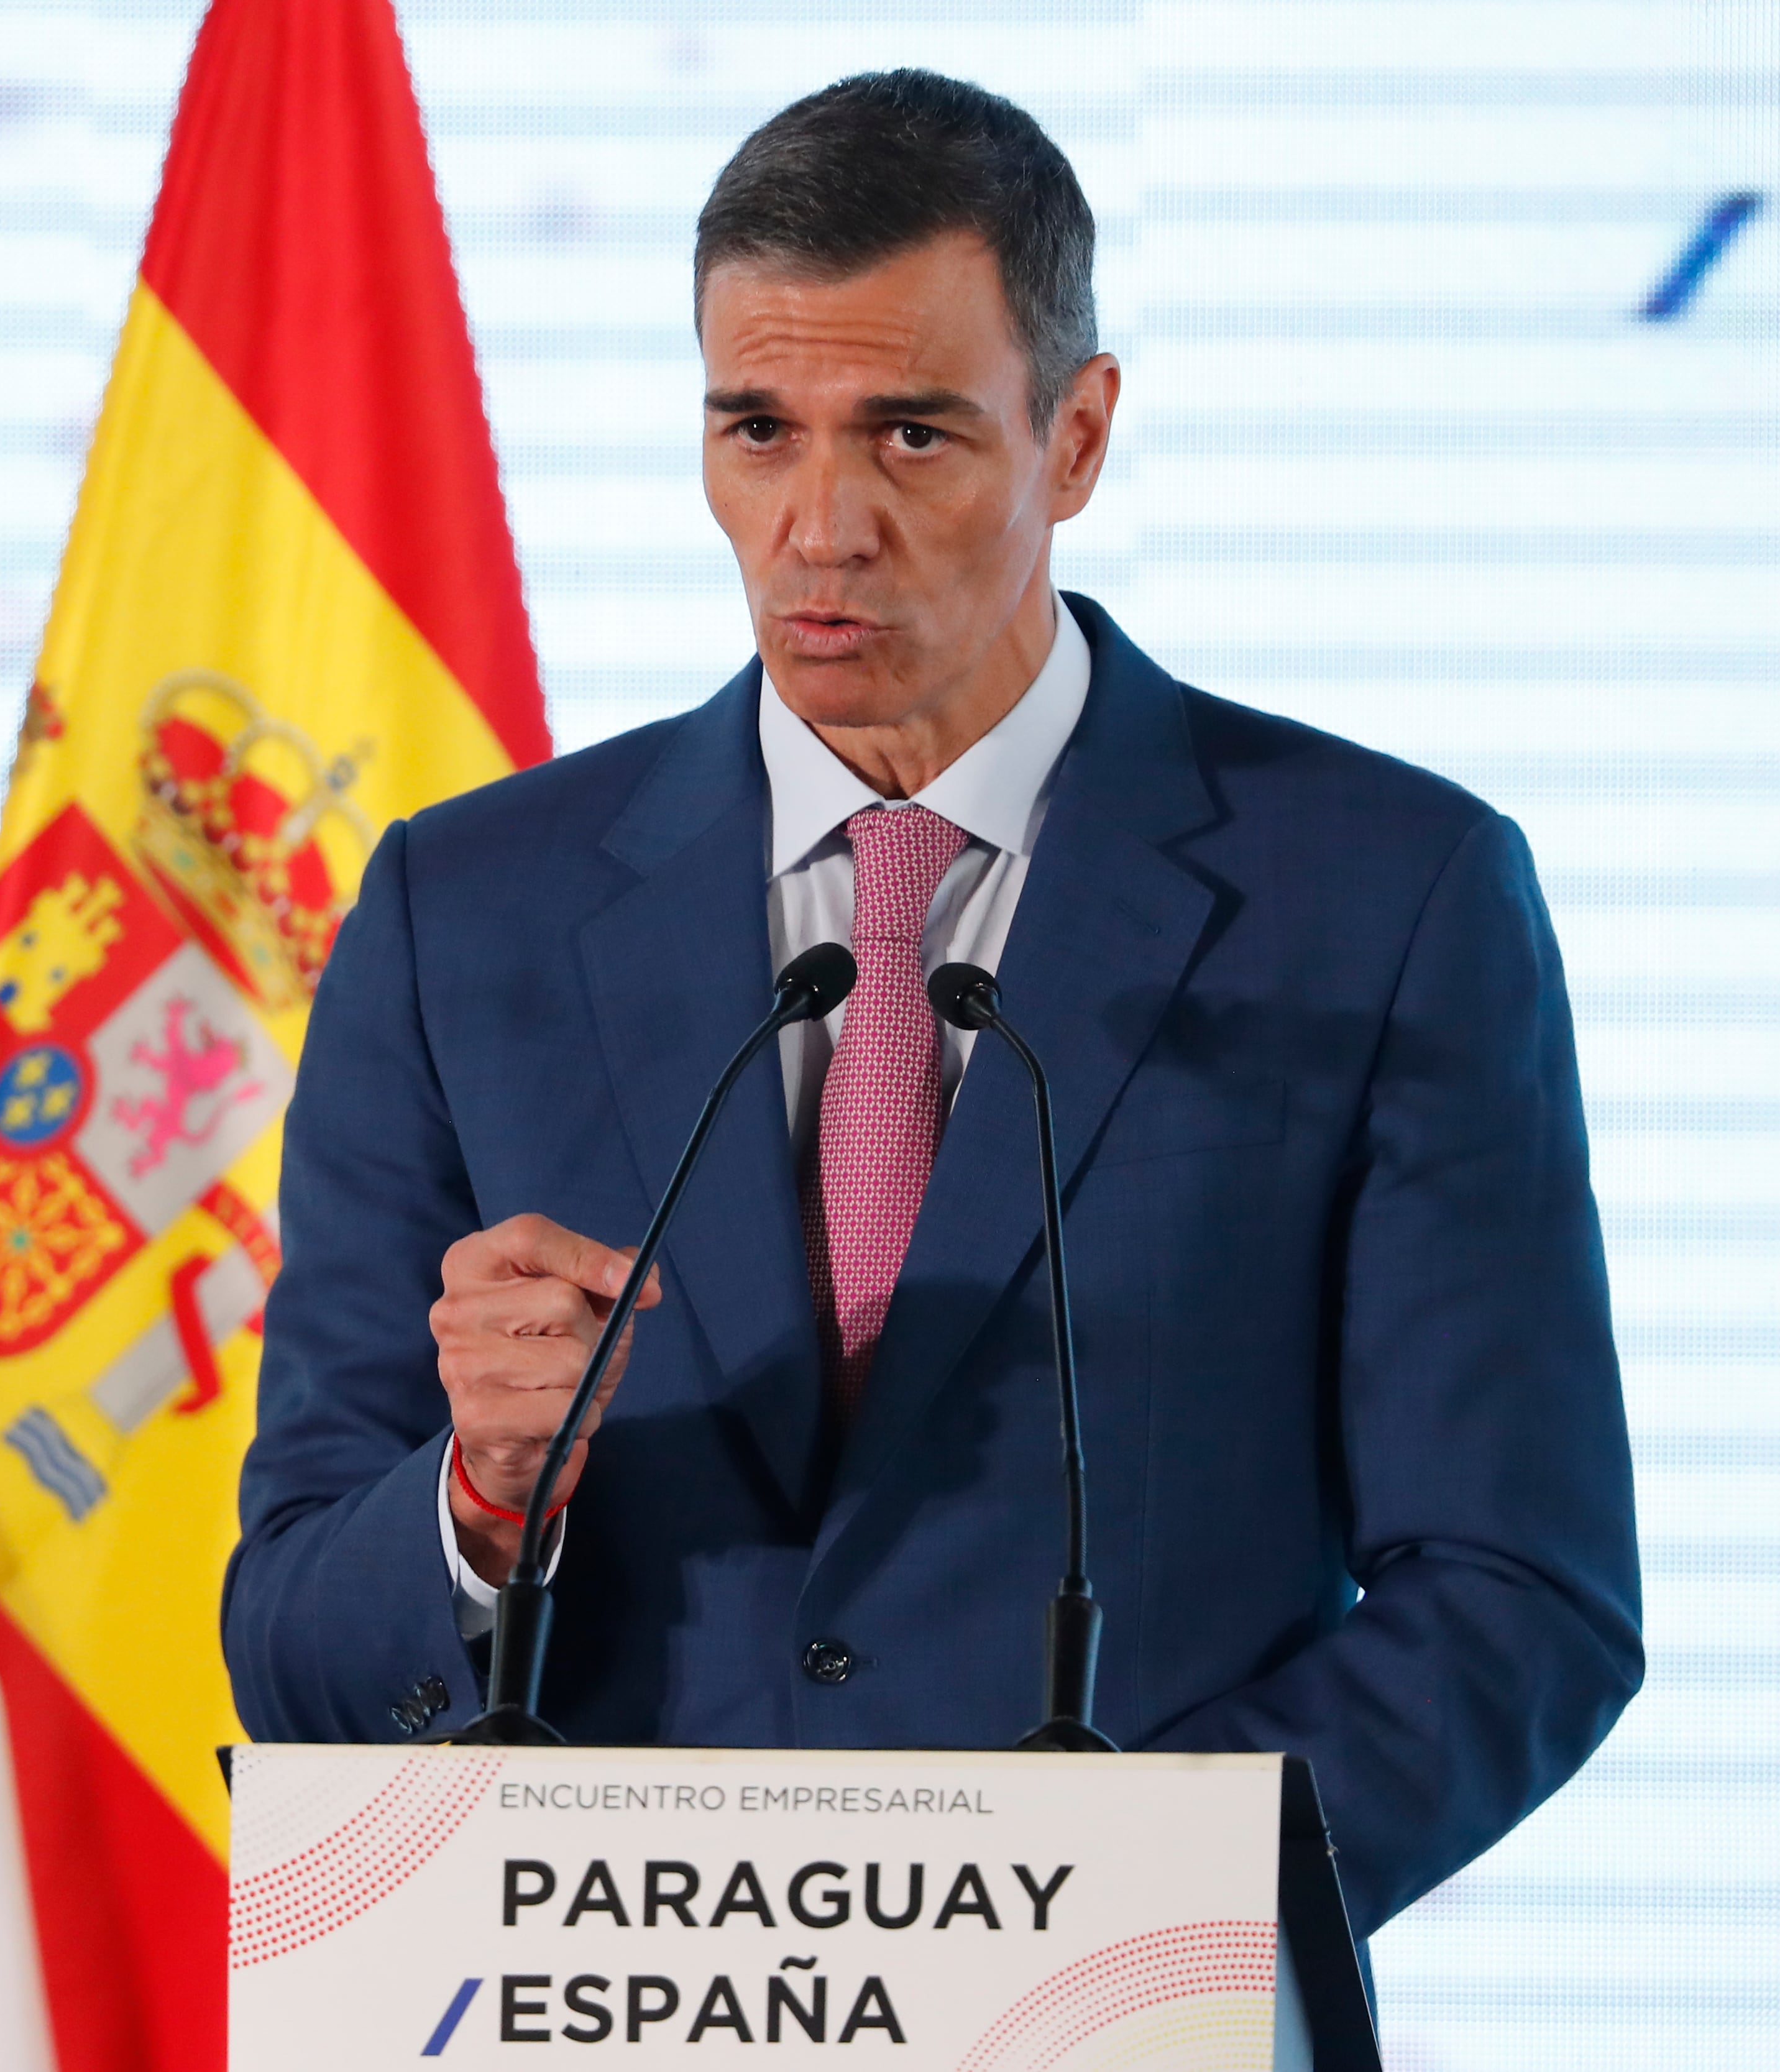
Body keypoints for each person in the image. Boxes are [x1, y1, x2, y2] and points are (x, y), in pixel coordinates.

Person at [220, 69, 1640, 1934]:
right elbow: (300, 1645)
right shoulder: (459, 911)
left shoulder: (1386, 896)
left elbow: (1520, 1596)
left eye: (909, 437)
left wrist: (1106, 1920)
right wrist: (479, 1508)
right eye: (758, 428)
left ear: (1077, 437)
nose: (820, 525)